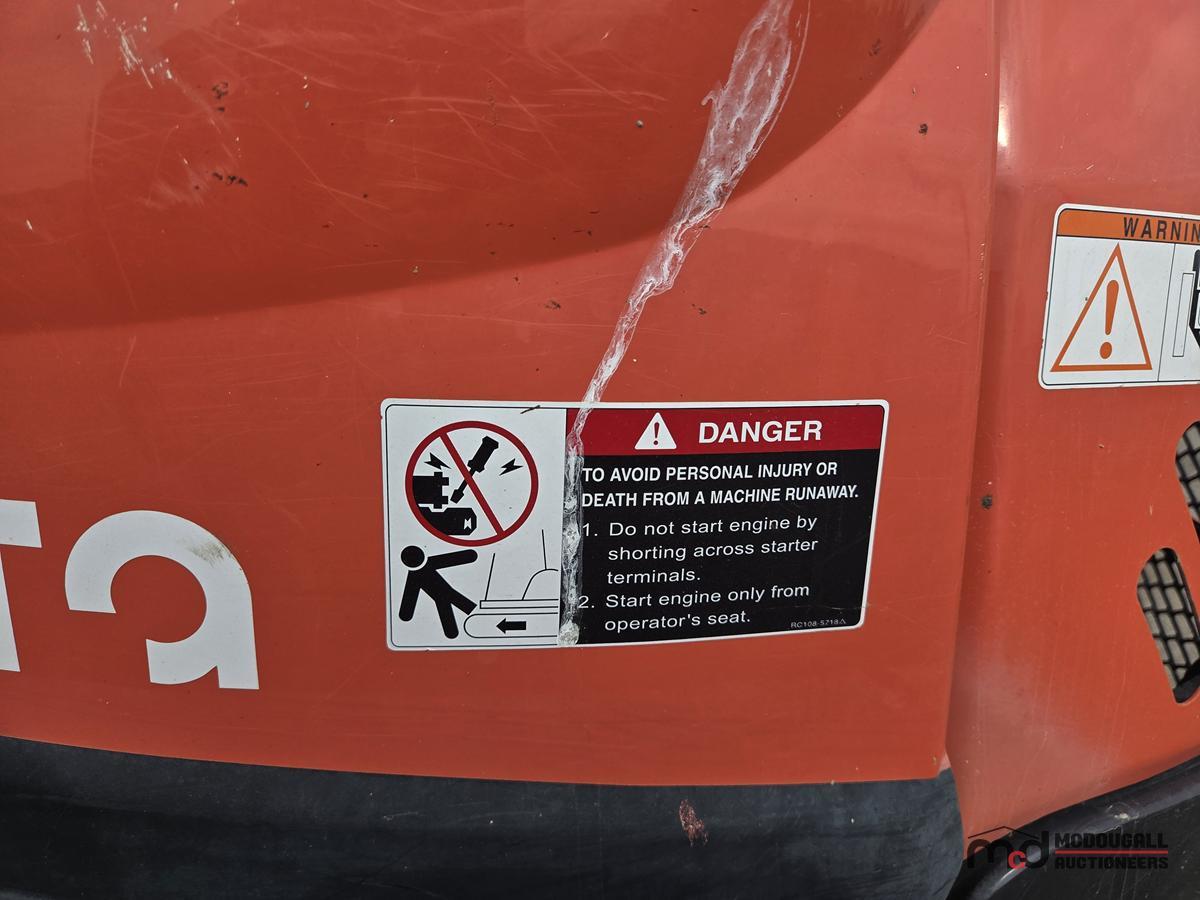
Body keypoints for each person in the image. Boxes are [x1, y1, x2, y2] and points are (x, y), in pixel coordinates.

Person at [398, 545, 477, 639]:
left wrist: (405, 614)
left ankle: (467, 620)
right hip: (445, 594)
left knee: (447, 601)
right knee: (447, 602)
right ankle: (457, 628)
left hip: (445, 594)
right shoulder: (416, 575)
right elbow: (469, 556)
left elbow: (469, 556)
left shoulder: (415, 575)